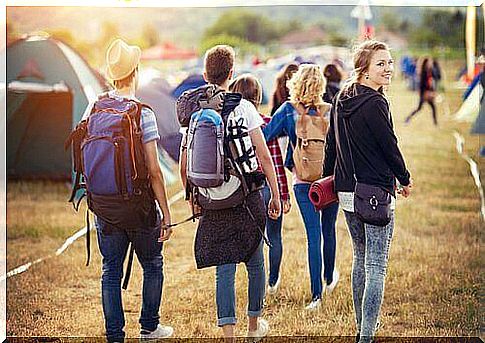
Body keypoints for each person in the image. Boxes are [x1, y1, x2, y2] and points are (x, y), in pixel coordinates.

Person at [179, 45, 281, 341]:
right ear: (231, 74)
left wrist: (192, 200)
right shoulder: (244, 108)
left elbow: (185, 162)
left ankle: (228, 333)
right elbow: (263, 156)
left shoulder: (194, 111)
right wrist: (274, 193)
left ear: (204, 74)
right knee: (255, 260)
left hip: (210, 198)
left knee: (223, 267)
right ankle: (253, 327)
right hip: (246, 196)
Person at [323, 40, 413, 343]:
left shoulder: (341, 97)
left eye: (390, 62)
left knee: (360, 258)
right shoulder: (375, 102)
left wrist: (328, 179)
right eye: (381, 64)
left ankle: (362, 328)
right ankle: (366, 337)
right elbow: (390, 146)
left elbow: (330, 145)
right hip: (374, 193)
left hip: (348, 191)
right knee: (375, 264)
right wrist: (405, 178)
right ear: (364, 69)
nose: (388, 69)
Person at [92, 39, 174, 341]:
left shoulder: (95, 107)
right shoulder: (143, 113)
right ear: (135, 71)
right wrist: (166, 213)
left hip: (105, 207)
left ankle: (115, 336)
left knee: (110, 270)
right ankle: (149, 328)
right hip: (138, 208)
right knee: (152, 264)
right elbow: (154, 170)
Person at [263, 64, 340, 311]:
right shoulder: (330, 110)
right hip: (330, 182)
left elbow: (264, 137)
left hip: (303, 183)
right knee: (329, 230)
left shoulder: (287, 110)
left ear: (295, 83)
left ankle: (316, 297)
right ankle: (329, 280)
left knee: (313, 236)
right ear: (320, 86)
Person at [229, 74, 291, 295]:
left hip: (245, 189)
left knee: (252, 241)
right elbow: (274, 162)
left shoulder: (231, 124)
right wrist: (282, 194)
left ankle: (254, 281)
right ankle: (272, 282)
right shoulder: (267, 123)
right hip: (268, 187)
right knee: (274, 236)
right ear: (258, 96)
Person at [405, 57, 438, 126]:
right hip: (424, 94)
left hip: (429, 93)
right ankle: (408, 118)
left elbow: (432, 81)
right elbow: (421, 85)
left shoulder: (430, 72)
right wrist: (424, 94)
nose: (430, 64)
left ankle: (435, 122)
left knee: (433, 107)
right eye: (429, 62)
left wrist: (432, 92)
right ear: (426, 63)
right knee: (419, 108)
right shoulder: (423, 73)